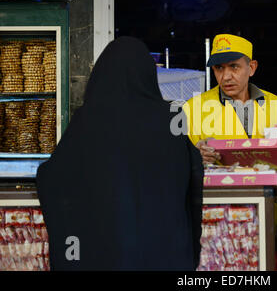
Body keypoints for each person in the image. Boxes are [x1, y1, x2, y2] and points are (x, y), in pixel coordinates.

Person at [36, 37, 204, 270]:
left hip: (104, 257)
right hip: (164, 256)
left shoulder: (87, 121)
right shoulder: (169, 119)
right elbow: (192, 170)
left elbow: (54, 176)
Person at [182, 34, 277, 164]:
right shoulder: (193, 107)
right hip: (217, 183)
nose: (226, 76)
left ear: (252, 68)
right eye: (219, 68)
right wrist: (195, 157)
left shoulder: (273, 103)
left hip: (265, 183)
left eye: (234, 66)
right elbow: (179, 161)